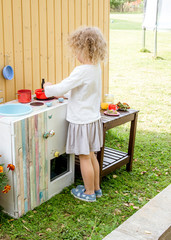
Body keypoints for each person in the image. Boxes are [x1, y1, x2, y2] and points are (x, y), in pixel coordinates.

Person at [44, 26, 107, 202]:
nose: (75, 55)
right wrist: (65, 94)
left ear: (85, 49)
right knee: (92, 155)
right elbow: (83, 91)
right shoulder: (96, 68)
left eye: (77, 50)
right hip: (92, 119)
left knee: (84, 157)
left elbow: (62, 87)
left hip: (81, 121)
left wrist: (47, 87)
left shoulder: (81, 70)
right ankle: (95, 188)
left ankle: (88, 193)